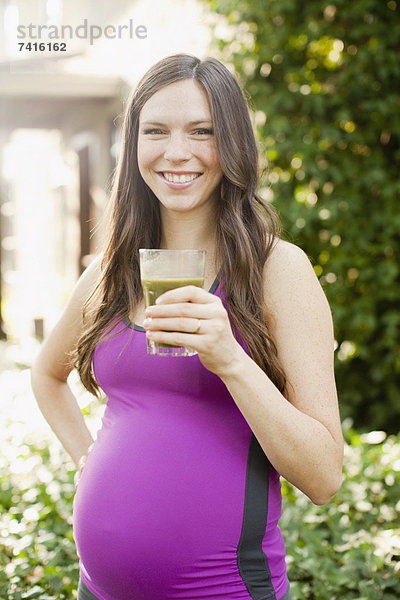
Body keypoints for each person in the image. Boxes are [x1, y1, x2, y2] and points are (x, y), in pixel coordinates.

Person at [31, 53, 344, 600]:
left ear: (235, 145)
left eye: (203, 131)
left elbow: (323, 477)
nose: (177, 152)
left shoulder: (278, 271)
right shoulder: (111, 271)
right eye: (156, 131)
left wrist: (230, 358)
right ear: (134, 147)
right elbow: (46, 375)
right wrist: (87, 460)